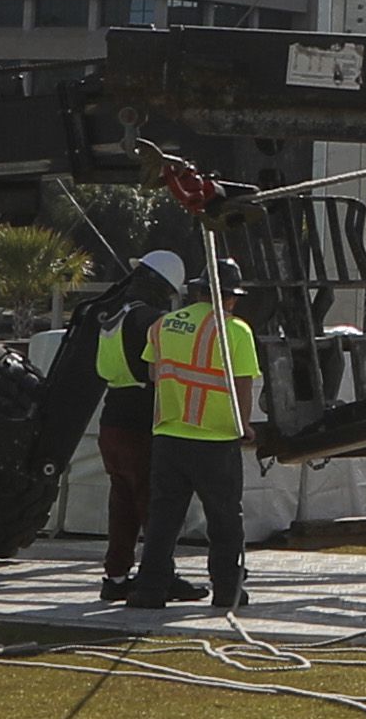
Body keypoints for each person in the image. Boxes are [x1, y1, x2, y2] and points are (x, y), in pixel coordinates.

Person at [129, 255, 267, 616]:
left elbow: (154, 375)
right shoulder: (236, 331)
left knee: (163, 519)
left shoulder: (163, 325)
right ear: (230, 297)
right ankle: (226, 589)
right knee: (224, 520)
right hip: (215, 440)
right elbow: (242, 385)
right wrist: (245, 426)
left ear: (199, 291)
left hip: (168, 436)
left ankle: (149, 588)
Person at [85, 251, 181, 605]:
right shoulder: (153, 320)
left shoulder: (113, 315)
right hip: (143, 421)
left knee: (122, 504)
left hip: (112, 419)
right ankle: (161, 577)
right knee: (152, 504)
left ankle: (116, 577)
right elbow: (163, 371)